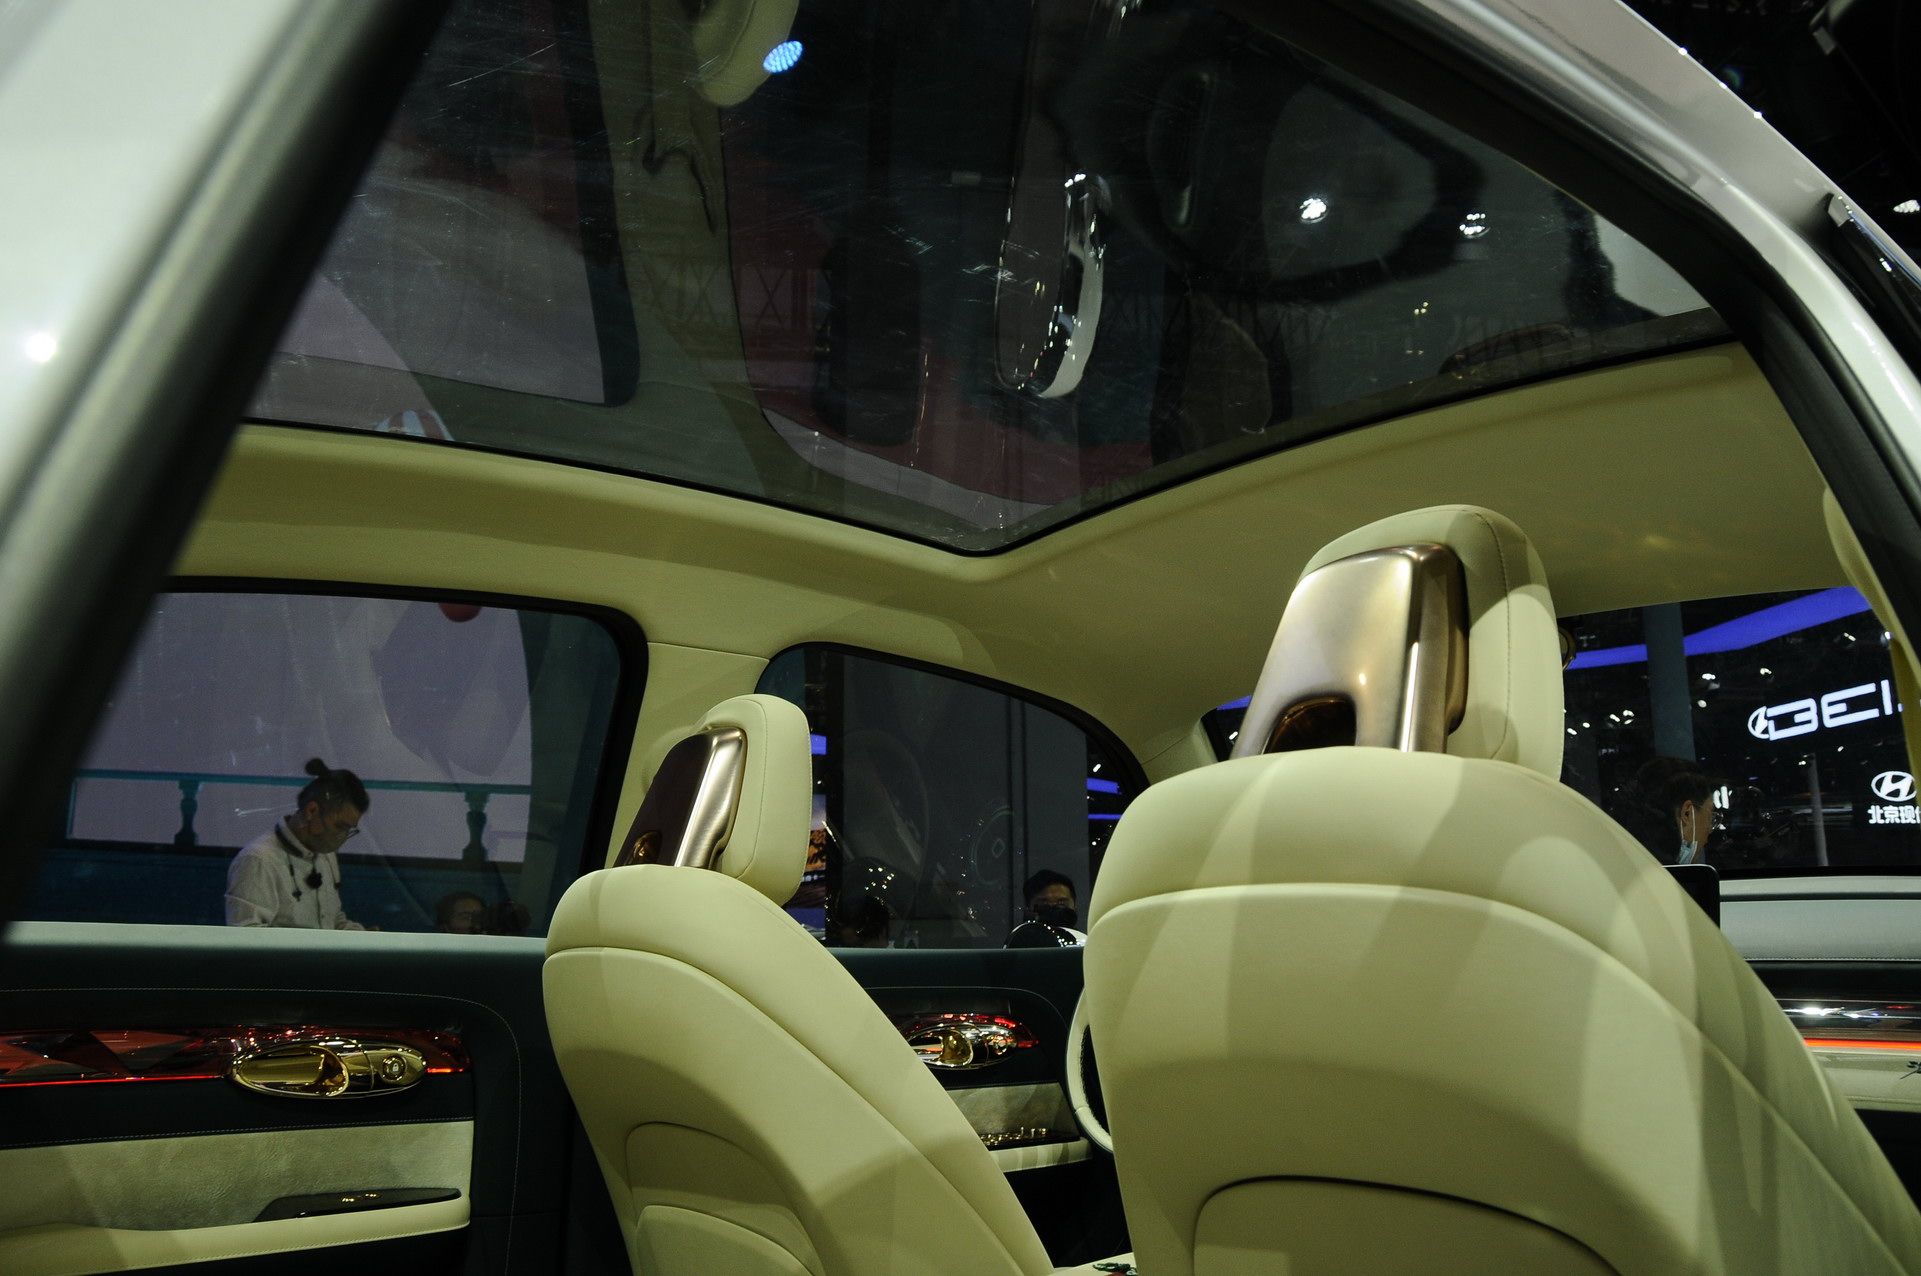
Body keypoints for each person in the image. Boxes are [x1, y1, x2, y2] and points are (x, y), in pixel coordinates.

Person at [225, 758, 370, 929]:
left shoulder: (326, 856)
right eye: (340, 827)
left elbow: (333, 921)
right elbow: (246, 935)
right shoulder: (258, 860)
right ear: (312, 811)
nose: (343, 837)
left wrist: (365, 937)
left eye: (349, 829)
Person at [1629, 756, 1719, 866]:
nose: (1709, 830)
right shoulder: (1668, 874)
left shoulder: (1630, 856)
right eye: (1710, 817)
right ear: (1687, 814)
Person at [1005, 869, 1087, 947]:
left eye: (1061, 903)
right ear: (1028, 908)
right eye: (1044, 904)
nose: (1054, 907)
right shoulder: (1020, 939)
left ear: (1074, 905)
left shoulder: (1084, 941)